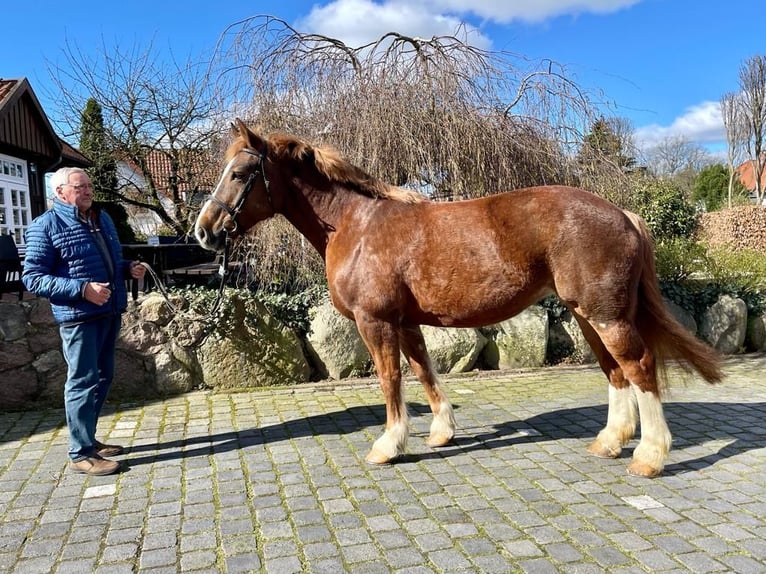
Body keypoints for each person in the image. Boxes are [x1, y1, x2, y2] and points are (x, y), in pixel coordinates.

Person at [23, 167, 145, 476]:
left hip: (108, 311)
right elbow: (33, 278)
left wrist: (128, 268)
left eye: (89, 186)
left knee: (102, 378)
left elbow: (107, 262)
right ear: (61, 192)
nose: (88, 191)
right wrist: (81, 289)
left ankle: (88, 439)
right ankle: (80, 453)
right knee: (82, 381)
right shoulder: (46, 226)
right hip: (78, 319)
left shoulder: (100, 219)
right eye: (81, 187)